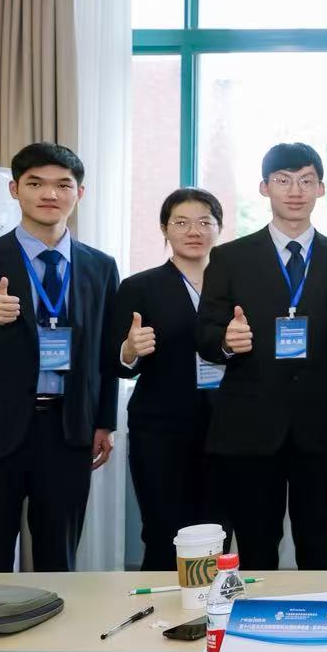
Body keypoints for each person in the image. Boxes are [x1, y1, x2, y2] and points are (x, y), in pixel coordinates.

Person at [0, 142, 120, 572]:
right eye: (36, 184)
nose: (50, 194)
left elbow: (107, 353)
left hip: (67, 433)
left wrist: (104, 421)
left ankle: (58, 621)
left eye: (63, 185)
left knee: (60, 562)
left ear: (79, 194)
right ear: (15, 190)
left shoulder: (100, 267)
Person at [196, 142, 327, 571]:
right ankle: (255, 615)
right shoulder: (230, 258)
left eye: (306, 181)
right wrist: (225, 340)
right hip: (251, 427)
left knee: (318, 541)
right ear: (264, 187)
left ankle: (316, 612)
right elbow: (204, 333)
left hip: (322, 428)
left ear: (321, 189)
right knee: (256, 544)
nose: (295, 191)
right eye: (283, 181)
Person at [111, 187, 226, 571]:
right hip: (161, 430)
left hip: (227, 429)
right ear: (164, 229)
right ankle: (158, 606)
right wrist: (130, 349)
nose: (194, 231)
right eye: (181, 222)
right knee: (164, 531)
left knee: (218, 532)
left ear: (219, 228)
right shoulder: (139, 287)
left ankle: (213, 605)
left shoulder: (235, 284)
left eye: (205, 222)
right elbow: (115, 363)